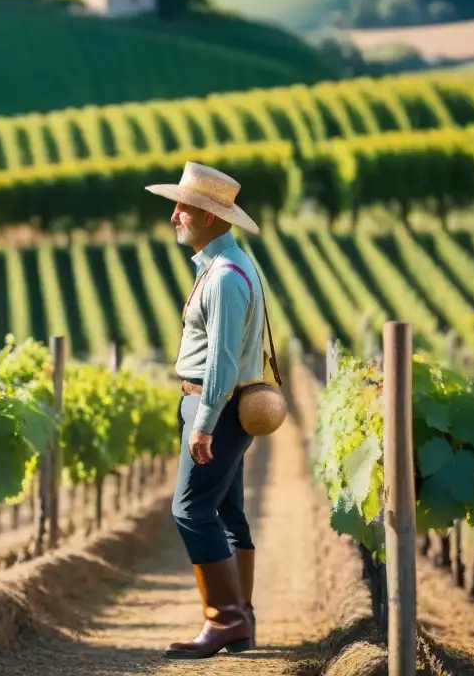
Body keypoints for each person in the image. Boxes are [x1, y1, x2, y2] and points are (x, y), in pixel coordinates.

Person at [145, 160, 272, 659]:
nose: (175, 216)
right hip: (226, 408)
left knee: (191, 510)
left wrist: (203, 425)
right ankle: (242, 621)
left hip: (214, 408)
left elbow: (220, 361)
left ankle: (225, 618)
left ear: (213, 218)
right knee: (226, 511)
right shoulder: (232, 268)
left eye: (185, 208)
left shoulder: (223, 279)